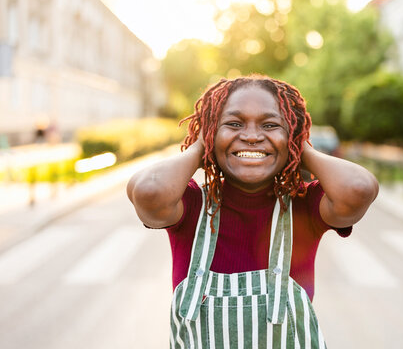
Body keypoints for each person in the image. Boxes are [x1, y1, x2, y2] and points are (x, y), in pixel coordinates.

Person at [127, 75, 378, 348]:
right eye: (233, 124)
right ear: (211, 133)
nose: (251, 136)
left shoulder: (304, 206)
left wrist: (299, 146)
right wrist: (201, 145)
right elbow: (148, 191)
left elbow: (359, 188)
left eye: (270, 125)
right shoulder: (190, 207)